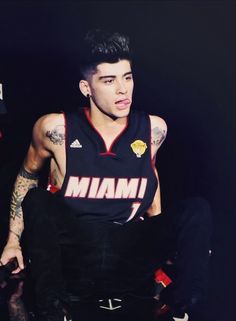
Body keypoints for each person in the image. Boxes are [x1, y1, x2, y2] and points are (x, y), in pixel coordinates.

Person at [0, 29, 211, 321]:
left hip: (128, 248)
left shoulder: (154, 129)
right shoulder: (54, 129)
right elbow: (27, 177)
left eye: (127, 77)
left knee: (196, 210)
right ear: (86, 88)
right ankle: (52, 310)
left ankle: (179, 306)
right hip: (76, 248)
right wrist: (12, 241)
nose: (123, 89)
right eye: (109, 81)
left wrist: (160, 233)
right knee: (37, 199)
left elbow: (149, 176)